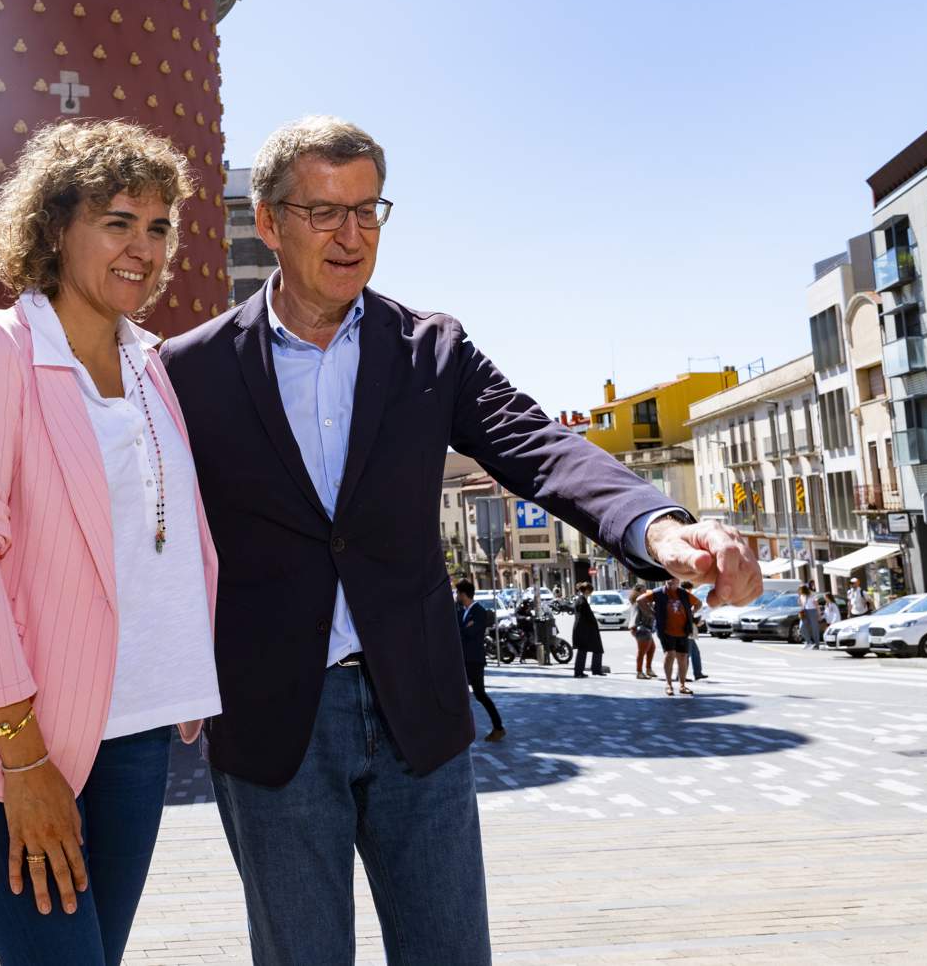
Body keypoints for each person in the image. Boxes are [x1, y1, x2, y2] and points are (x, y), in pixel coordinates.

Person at [160, 116, 760, 965]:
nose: (352, 234)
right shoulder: (189, 370)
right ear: (268, 221)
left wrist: (657, 525)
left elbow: (537, 443)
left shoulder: (430, 349)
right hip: (272, 723)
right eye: (325, 211)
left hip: (419, 712)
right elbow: (146, 525)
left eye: (369, 210)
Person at [0, 120, 221, 966]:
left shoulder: (150, 364)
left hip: (137, 725)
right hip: (21, 734)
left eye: (158, 227)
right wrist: (23, 759)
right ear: (55, 227)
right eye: (118, 221)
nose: (143, 247)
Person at [454, 580, 505, 739]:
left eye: (458, 593)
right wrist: (463, 628)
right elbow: (456, 630)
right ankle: (459, 731)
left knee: (480, 694)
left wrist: (461, 629)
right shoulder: (462, 611)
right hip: (463, 659)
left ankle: (498, 727)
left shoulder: (479, 611)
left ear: (463, 594)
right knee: (459, 694)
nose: (456, 596)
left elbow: (469, 633)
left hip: (474, 660)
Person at [652, 578, 697, 695]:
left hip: (683, 631)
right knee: (670, 655)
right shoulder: (659, 592)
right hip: (666, 631)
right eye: (670, 580)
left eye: (675, 580)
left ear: (678, 581)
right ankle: (669, 684)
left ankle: (682, 685)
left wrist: (691, 614)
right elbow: (640, 600)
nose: (672, 582)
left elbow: (699, 603)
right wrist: (652, 613)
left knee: (683, 657)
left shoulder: (683, 593)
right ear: (666, 581)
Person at [570, 582, 607, 678]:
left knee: (595, 649)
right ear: (587, 590)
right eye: (590, 591)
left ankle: (594, 670)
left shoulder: (581, 600)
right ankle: (580, 672)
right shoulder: (581, 601)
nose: (591, 593)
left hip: (586, 630)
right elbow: (583, 617)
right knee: (584, 650)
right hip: (584, 630)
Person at [630, 581, 658, 679]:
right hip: (642, 628)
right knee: (642, 651)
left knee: (651, 648)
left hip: (645, 628)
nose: (646, 591)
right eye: (643, 589)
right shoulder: (639, 602)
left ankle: (648, 669)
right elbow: (648, 614)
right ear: (639, 592)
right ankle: (639, 672)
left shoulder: (642, 601)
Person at [681, 579, 708, 681]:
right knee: (686, 654)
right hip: (686, 630)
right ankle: (681, 676)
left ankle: (697, 673)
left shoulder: (684, 598)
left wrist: (694, 618)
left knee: (693, 653)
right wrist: (695, 619)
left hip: (688, 629)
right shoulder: (684, 597)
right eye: (690, 590)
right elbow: (687, 615)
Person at [798, 584, 822, 648]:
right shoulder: (801, 596)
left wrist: (819, 614)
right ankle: (808, 642)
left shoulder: (812, 595)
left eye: (800, 589)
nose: (799, 590)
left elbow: (816, 605)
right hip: (805, 612)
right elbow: (802, 605)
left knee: (814, 628)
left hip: (812, 611)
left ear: (804, 589)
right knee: (801, 627)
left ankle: (817, 644)